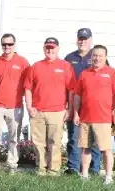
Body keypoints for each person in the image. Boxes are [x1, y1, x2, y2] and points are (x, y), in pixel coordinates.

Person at [24, 37, 76, 176]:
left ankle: (53, 171)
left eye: (52, 47)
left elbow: (71, 90)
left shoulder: (66, 66)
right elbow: (28, 88)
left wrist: (69, 109)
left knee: (55, 142)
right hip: (38, 111)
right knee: (38, 142)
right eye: (47, 47)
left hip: (57, 111)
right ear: (43, 48)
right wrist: (29, 107)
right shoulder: (35, 66)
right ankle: (41, 168)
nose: (50, 50)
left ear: (58, 49)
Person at [73, 45, 115, 185]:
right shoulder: (84, 74)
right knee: (85, 148)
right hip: (85, 117)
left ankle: (108, 177)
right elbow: (77, 95)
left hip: (104, 118)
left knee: (106, 149)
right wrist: (76, 113)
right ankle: (84, 175)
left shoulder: (113, 73)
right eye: (95, 55)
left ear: (105, 57)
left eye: (100, 55)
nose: (97, 58)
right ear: (91, 56)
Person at [0, 33, 30, 173]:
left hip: (16, 105)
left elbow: (29, 84)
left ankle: (12, 164)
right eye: (4, 44)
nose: (7, 47)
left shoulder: (23, 62)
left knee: (14, 137)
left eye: (10, 44)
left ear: (14, 44)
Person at [64, 28, 102, 175]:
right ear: (77, 40)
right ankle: (73, 168)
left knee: (94, 139)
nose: (83, 41)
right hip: (75, 103)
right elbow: (65, 83)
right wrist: (67, 106)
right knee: (74, 137)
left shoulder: (97, 56)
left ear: (90, 40)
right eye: (80, 38)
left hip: (93, 104)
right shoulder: (69, 58)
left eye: (85, 39)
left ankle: (94, 169)